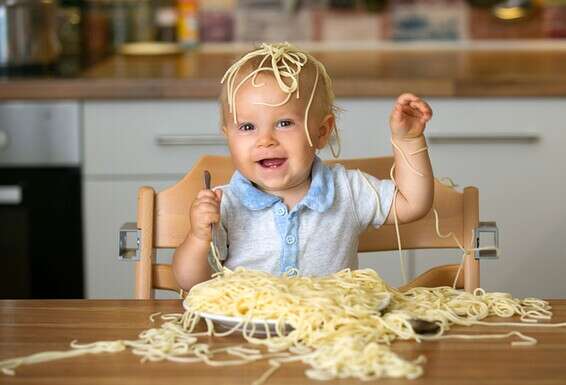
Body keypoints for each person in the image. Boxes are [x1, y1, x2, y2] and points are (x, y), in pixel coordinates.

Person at [172, 42, 433, 291]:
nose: (266, 140)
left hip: (331, 329)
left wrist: (408, 140)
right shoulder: (223, 205)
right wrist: (198, 238)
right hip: (248, 332)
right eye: (247, 127)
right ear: (227, 135)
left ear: (321, 132)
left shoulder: (347, 190)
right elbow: (190, 282)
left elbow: (413, 203)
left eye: (284, 123)